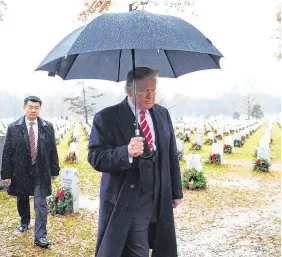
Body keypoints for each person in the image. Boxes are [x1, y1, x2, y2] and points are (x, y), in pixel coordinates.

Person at [88, 67, 183, 257]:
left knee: (160, 245)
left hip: (159, 199)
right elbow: (95, 157)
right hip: (128, 201)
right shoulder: (106, 117)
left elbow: (171, 154)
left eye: (153, 90)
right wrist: (126, 152)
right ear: (129, 91)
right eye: (144, 90)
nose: (150, 96)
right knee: (136, 250)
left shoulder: (162, 114)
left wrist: (175, 191)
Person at [0, 96, 60, 248]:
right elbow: (6, 151)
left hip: (41, 170)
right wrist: (6, 174)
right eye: (30, 107)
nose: (33, 110)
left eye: (36, 107)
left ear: (40, 109)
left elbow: (53, 149)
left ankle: (40, 236)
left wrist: (54, 169)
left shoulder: (47, 126)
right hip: (21, 171)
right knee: (22, 199)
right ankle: (24, 220)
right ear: (24, 108)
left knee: (41, 204)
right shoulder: (14, 127)